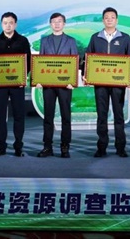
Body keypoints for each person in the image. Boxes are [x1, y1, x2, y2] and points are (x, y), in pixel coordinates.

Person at [83, 7, 130, 158]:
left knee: (119, 115)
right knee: (102, 115)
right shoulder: (95, 38)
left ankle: (120, 147)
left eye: (112, 17)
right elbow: (88, 59)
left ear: (117, 20)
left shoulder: (125, 38)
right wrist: (87, 74)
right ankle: (101, 147)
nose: (109, 20)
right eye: (107, 17)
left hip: (118, 84)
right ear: (103, 20)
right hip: (100, 84)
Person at [0, 12, 32, 157]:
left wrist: (22, 77)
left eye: (11, 23)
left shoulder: (23, 41)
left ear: (15, 24)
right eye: (5, 23)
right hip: (0, 85)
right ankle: (1, 147)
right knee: (1, 116)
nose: (8, 25)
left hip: (17, 85)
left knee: (19, 116)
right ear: (1, 24)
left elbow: (29, 62)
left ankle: (18, 147)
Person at [36, 13, 78, 158]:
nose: (57, 24)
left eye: (60, 21)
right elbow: (40, 62)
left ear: (64, 24)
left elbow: (75, 62)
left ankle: (65, 147)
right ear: (50, 24)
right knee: (48, 116)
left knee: (66, 116)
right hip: (48, 85)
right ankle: (47, 147)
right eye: (54, 21)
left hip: (65, 85)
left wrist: (73, 81)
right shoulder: (44, 41)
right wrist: (39, 79)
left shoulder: (71, 41)